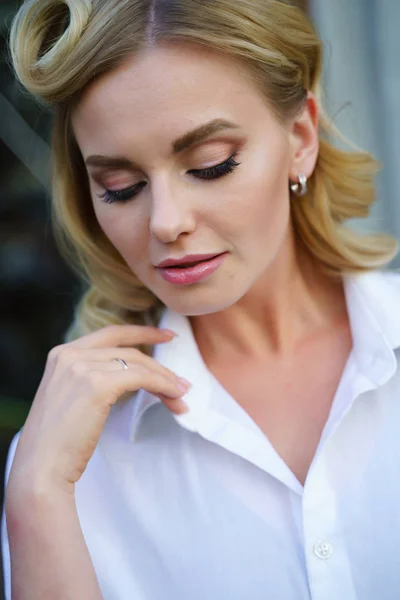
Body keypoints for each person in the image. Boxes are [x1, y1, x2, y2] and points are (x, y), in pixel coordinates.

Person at [2, 0, 400, 598]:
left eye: (210, 165)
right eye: (122, 187)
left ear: (300, 138)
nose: (166, 222)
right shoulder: (67, 460)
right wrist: (33, 496)